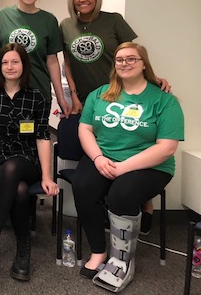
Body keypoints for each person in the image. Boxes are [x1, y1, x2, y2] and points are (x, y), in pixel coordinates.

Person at [60, 0, 170, 233]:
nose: (83, 0)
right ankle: (105, 205)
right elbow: (67, 62)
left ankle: (143, 201)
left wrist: (153, 78)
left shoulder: (113, 20)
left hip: (124, 93)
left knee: (132, 138)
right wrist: (74, 95)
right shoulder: (66, 25)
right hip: (91, 99)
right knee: (99, 147)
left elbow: (133, 53)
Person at [72, 42, 183, 292]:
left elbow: (166, 147)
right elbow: (85, 129)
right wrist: (99, 159)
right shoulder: (99, 94)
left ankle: (122, 261)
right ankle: (99, 252)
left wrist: (122, 168)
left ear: (144, 64)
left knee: (121, 195)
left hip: (149, 165)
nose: (125, 63)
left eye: (132, 59)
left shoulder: (164, 101)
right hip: (104, 157)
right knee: (82, 187)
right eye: (120, 60)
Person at [0, 43, 57, 281]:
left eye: (15, 62)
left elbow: (43, 136)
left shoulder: (36, 97)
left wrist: (47, 176)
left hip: (26, 158)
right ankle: (22, 249)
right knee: (19, 189)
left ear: (24, 65)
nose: (9, 66)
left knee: (14, 166)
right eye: (4, 62)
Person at [0, 0, 70, 116]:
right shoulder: (3, 16)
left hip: (38, 89)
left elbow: (52, 61)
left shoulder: (48, 20)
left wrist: (60, 98)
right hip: (6, 91)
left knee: (37, 136)